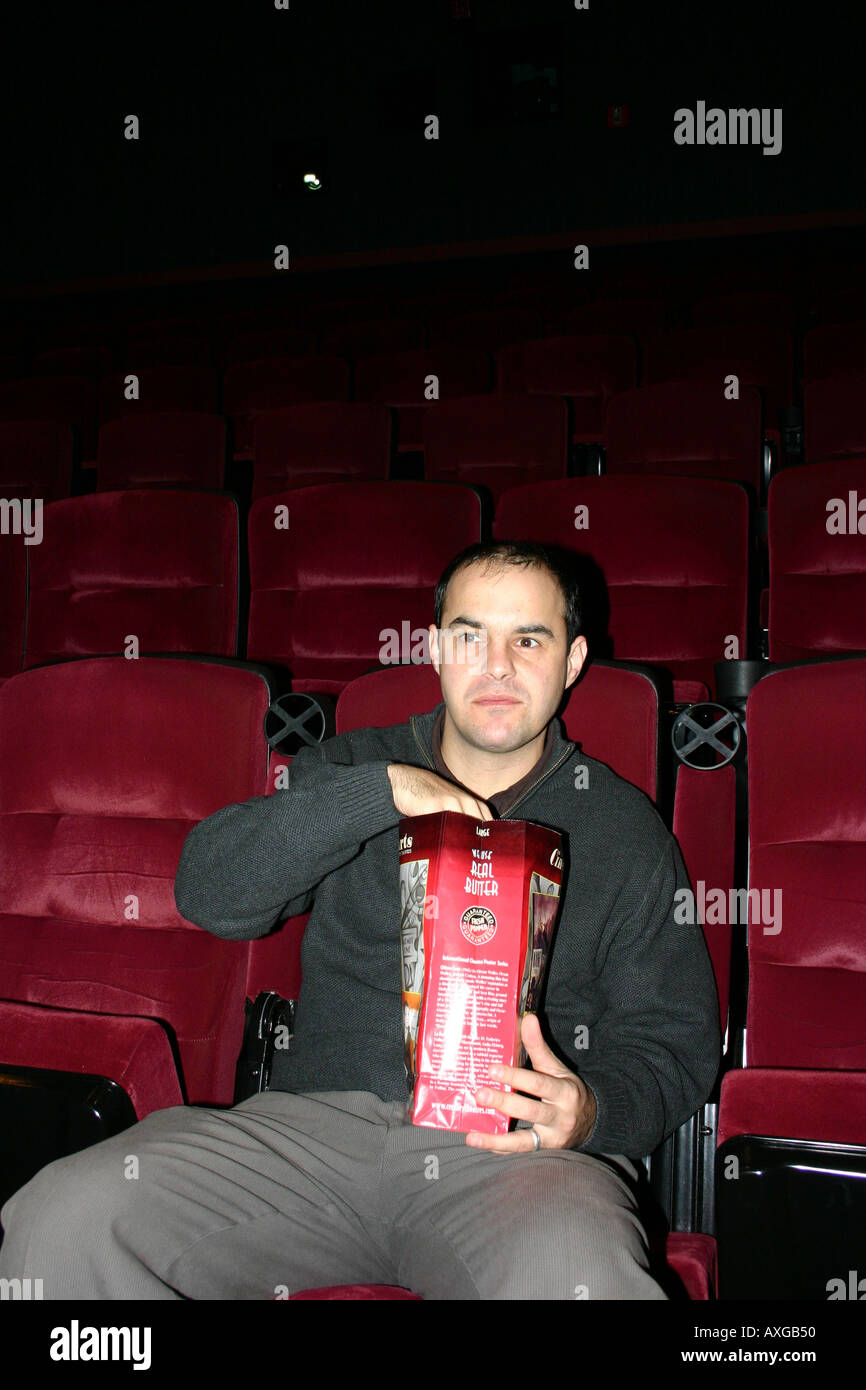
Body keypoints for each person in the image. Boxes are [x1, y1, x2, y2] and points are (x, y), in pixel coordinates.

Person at [0, 540, 720, 1300]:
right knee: (67, 1216)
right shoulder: (353, 769)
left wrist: (592, 1109)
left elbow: (675, 1040)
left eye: (529, 640)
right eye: (471, 636)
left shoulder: (622, 829)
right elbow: (209, 892)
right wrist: (377, 797)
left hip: (514, 1165)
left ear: (573, 661)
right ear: (438, 649)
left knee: (579, 1276)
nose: (498, 666)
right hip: (312, 1140)